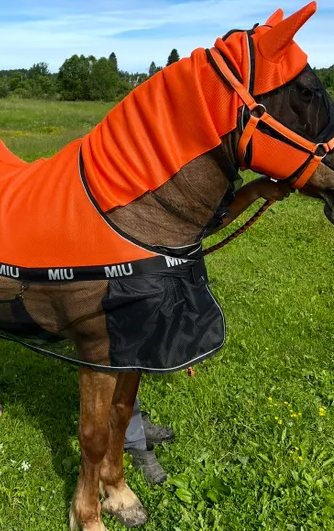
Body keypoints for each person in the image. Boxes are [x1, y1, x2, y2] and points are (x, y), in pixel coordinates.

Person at [125, 177, 293, 483]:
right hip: (132, 265)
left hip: (164, 266)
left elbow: (203, 224)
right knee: (122, 351)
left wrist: (253, 191)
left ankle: (130, 419)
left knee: (140, 350)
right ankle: (131, 438)